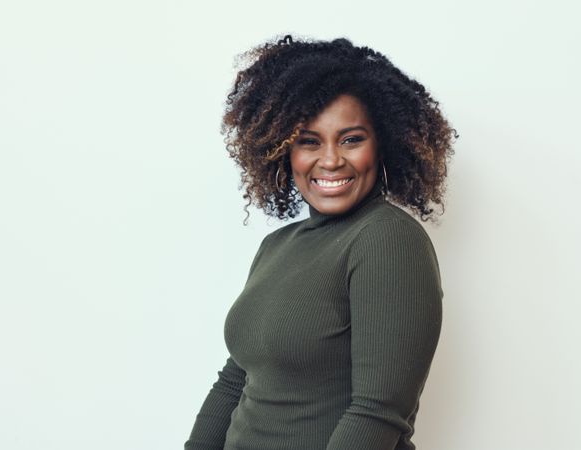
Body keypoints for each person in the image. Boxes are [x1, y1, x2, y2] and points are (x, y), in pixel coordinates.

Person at [184, 34, 457, 450]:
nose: (330, 160)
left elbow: (378, 413)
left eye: (351, 139)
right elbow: (236, 379)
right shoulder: (278, 246)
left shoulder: (387, 239)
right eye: (308, 141)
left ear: (382, 145)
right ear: (281, 150)